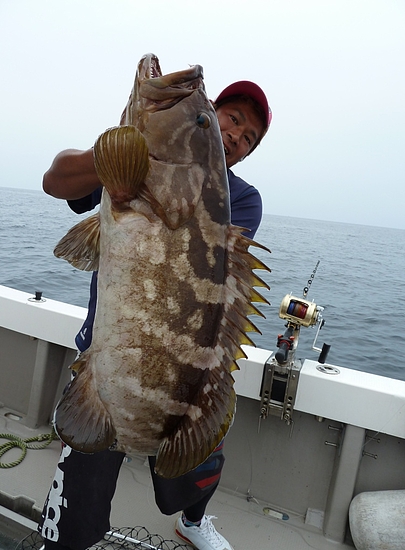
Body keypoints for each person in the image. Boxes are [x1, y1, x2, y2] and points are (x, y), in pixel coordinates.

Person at [39, 80, 272, 550]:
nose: (236, 138)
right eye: (229, 120)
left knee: (197, 458)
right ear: (209, 115)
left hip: (188, 372)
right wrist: (108, 157)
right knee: (76, 514)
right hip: (106, 368)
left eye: (249, 139)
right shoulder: (130, 165)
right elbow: (55, 181)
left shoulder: (241, 198)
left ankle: (191, 519)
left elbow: (218, 283)